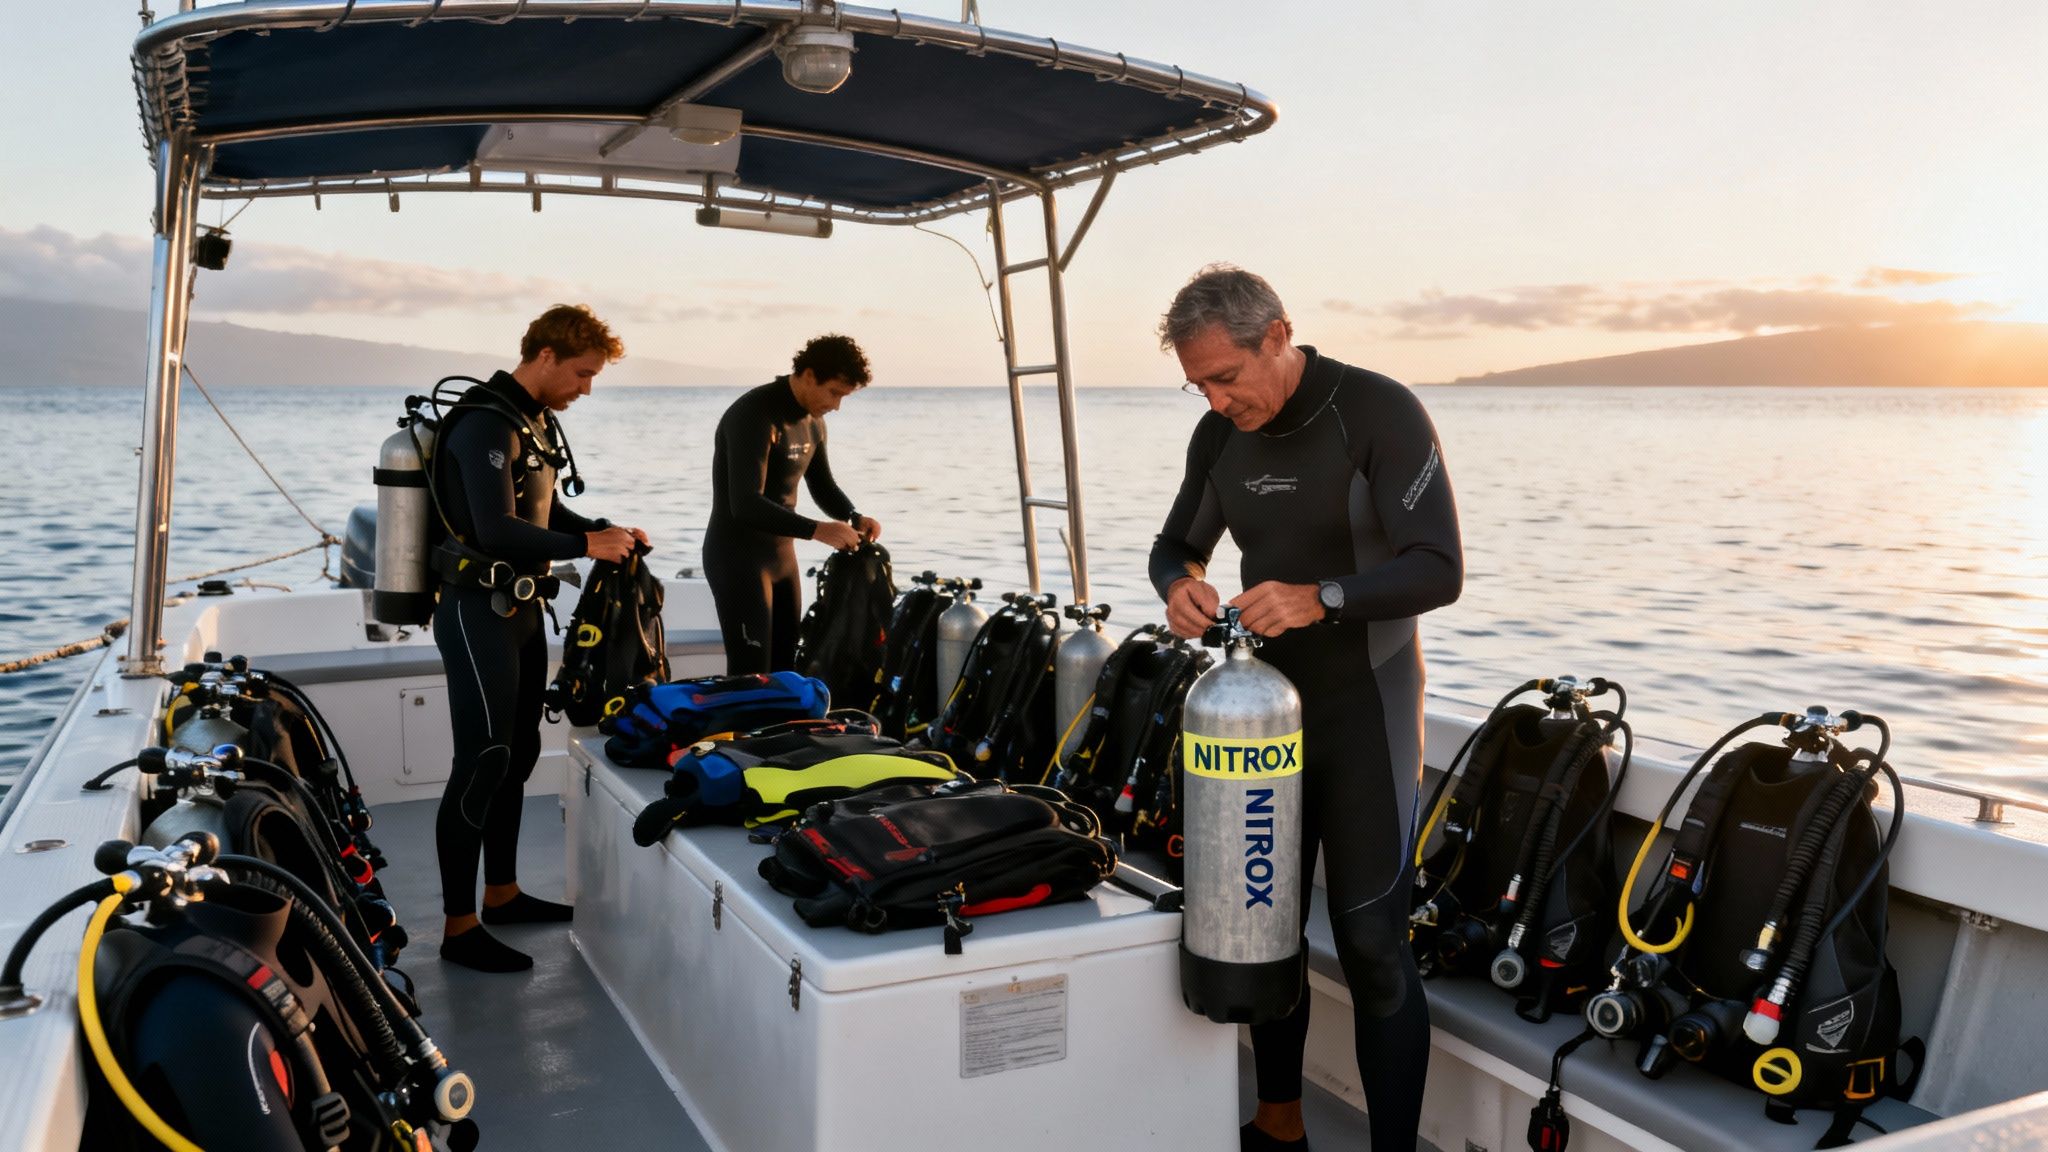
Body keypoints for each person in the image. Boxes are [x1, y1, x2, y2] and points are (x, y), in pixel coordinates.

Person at [1148, 266, 1462, 1152]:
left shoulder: (1376, 411)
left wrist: (1321, 596)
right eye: (1197, 383)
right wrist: (1182, 585)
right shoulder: (1217, 439)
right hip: (1262, 718)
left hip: (1366, 700)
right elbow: (1177, 543)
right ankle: (1278, 1126)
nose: (1214, 400)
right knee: (1262, 921)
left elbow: (1438, 567)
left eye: (1226, 376)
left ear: (1277, 336)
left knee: (1368, 937)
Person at [430, 304, 648, 973]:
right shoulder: (484, 421)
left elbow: (545, 511)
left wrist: (607, 532)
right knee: (483, 758)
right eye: (582, 374)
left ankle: (503, 894)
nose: (586, 388)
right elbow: (496, 527)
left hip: (522, 610)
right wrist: (586, 544)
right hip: (475, 611)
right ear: (546, 355)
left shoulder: (534, 420)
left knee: (519, 753)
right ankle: (458, 926)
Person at [704, 333, 882, 674]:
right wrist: (816, 530)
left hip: (782, 560)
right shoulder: (753, 414)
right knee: (751, 674)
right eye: (834, 393)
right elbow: (744, 503)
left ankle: (782, 729)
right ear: (809, 375)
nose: (837, 405)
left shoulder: (814, 422)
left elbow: (822, 485)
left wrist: (852, 516)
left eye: (844, 397)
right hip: (738, 558)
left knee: (786, 670)